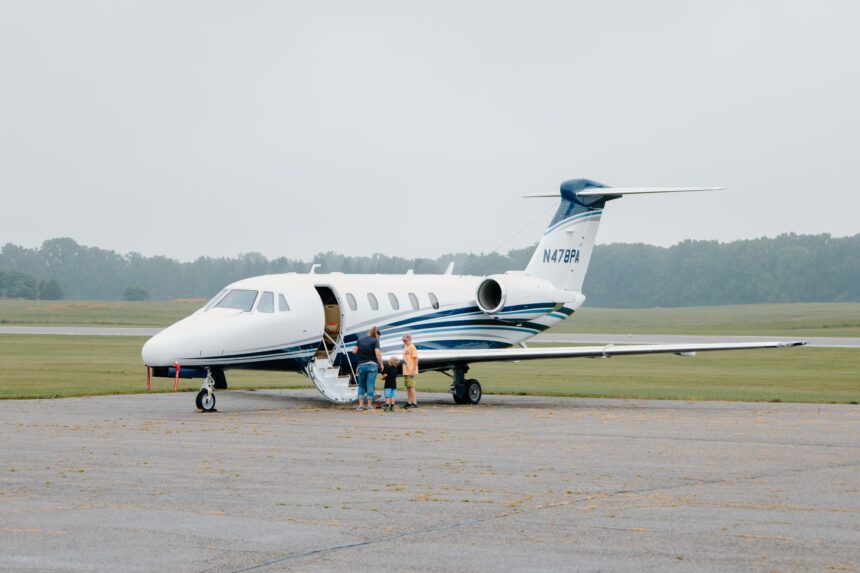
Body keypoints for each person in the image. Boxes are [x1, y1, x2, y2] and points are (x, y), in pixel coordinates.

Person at [353, 326, 384, 411]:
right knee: (370, 384)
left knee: (361, 385)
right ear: (377, 334)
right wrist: (381, 364)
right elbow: (378, 353)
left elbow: (354, 351)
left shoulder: (360, 340)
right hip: (372, 366)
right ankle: (369, 406)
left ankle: (360, 406)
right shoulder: (375, 341)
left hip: (361, 365)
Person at [401, 333, 419, 409]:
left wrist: (413, 369)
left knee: (411, 387)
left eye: (405, 340)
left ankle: (414, 403)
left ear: (409, 339)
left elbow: (416, 359)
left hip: (411, 370)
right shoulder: (405, 347)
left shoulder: (412, 347)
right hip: (406, 371)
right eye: (403, 340)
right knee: (408, 387)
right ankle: (409, 402)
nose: (404, 341)